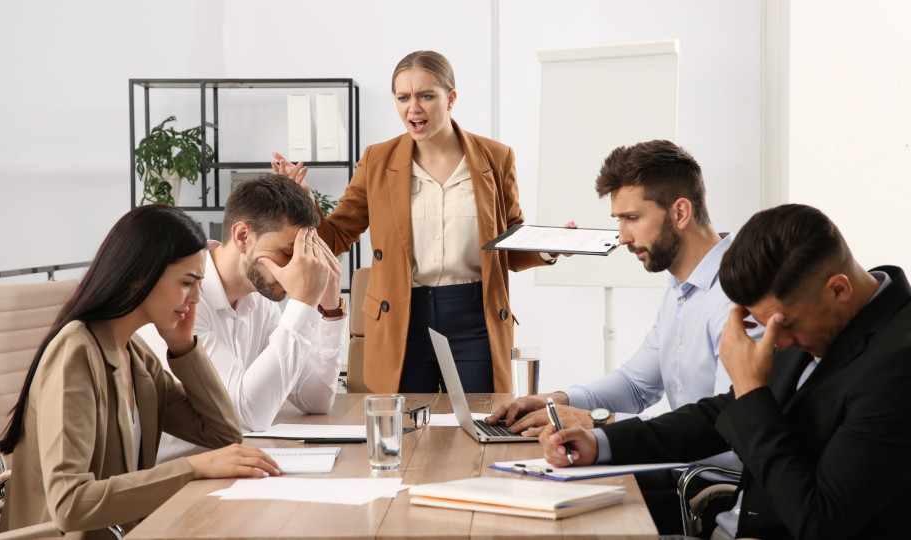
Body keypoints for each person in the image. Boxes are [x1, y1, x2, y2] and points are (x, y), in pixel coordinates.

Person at [540, 204, 911, 540]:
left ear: (838, 289)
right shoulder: (808, 323)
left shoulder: (896, 365)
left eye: (784, 327)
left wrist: (751, 391)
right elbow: (721, 413)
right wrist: (602, 443)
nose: (777, 343)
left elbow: (819, 522)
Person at [273, 50, 554, 393]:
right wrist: (303, 200)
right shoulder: (377, 160)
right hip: (401, 317)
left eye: (426, 96)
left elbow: (509, 243)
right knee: (405, 429)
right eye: (403, 97)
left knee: (483, 424)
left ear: (451, 98)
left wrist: (550, 250)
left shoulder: (496, 157)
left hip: (475, 316)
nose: (413, 108)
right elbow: (335, 237)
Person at [0, 205, 278, 539]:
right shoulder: (76, 353)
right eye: (187, 283)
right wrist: (190, 469)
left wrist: (184, 347)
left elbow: (223, 435)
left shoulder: (135, 354)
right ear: (139, 277)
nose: (196, 298)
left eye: (199, 284)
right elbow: (70, 504)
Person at [488, 140, 742, 434]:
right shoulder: (680, 290)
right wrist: (554, 401)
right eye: (619, 220)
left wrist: (596, 421)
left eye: (632, 218)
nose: (621, 238)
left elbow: (731, 429)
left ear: (680, 213)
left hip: (713, 477)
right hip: (685, 466)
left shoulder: (737, 293)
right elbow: (635, 385)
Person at [138, 175, 347, 463]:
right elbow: (247, 416)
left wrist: (330, 309)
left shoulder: (259, 298)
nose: (298, 267)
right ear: (243, 237)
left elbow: (315, 399)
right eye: (288, 253)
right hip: (179, 485)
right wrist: (303, 303)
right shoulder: (183, 301)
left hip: (231, 468)